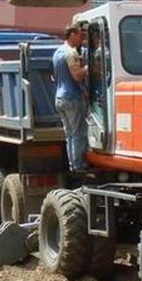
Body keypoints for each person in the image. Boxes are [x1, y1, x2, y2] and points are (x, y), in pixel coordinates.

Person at [53, 23, 89, 172]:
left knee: (69, 134)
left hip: (60, 97)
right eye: (80, 35)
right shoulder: (71, 53)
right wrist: (88, 67)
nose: (82, 39)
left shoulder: (57, 52)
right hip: (72, 97)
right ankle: (78, 165)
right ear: (72, 35)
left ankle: (72, 165)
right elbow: (76, 76)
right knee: (78, 133)